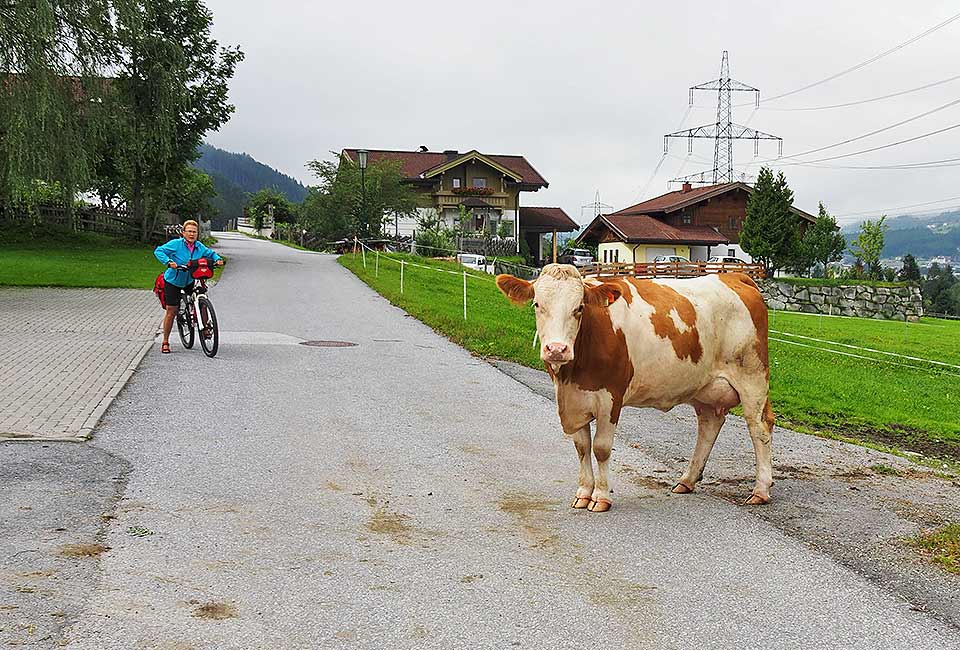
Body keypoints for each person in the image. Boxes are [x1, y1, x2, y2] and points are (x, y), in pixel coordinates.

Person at [153, 220, 224, 353]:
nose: (192, 234)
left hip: (190, 279)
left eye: (194, 232)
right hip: (173, 280)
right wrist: (169, 262)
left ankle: (205, 327)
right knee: (171, 311)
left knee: (202, 296)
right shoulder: (176, 244)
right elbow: (159, 251)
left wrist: (217, 259)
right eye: (189, 231)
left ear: (197, 234)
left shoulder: (199, 246)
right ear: (183, 233)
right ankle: (165, 341)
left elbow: (211, 254)